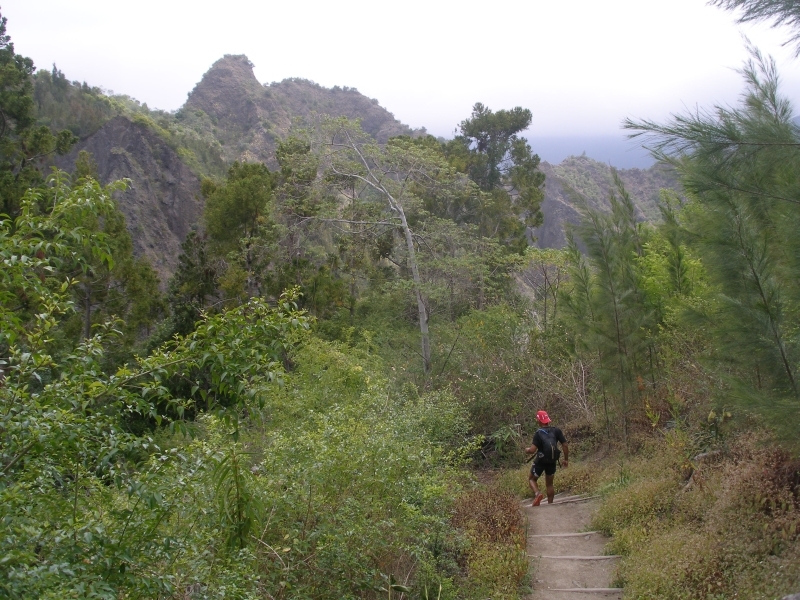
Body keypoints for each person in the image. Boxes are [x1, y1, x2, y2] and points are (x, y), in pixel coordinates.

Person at [525, 410, 569, 506]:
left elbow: (532, 450)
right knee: (549, 484)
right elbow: (565, 445)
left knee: (531, 479)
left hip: (541, 461)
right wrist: (566, 459)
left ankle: (538, 494)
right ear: (548, 420)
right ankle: (550, 505)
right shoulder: (556, 431)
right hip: (552, 461)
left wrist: (527, 450)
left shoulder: (538, 433)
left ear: (539, 421)